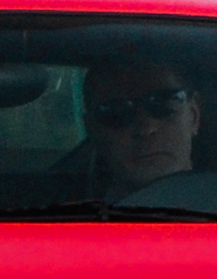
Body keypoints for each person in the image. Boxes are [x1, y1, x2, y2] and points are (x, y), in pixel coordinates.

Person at [84, 55, 201, 198]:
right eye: (117, 112)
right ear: (92, 129)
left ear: (194, 116)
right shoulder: (61, 214)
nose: (146, 129)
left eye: (163, 103)